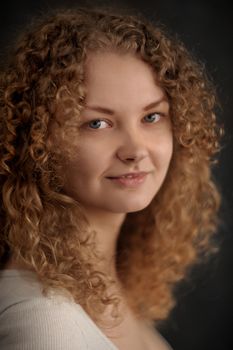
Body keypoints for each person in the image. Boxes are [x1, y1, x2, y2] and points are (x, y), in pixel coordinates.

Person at [0, 5, 222, 350]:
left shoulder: (108, 286)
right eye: (97, 123)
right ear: (37, 141)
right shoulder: (44, 325)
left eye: (152, 117)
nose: (135, 150)